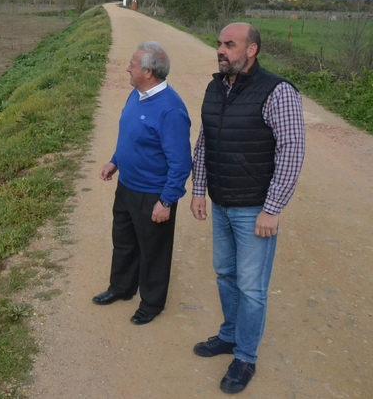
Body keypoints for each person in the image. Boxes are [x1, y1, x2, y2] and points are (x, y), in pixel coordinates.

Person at [190, 22, 305, 394]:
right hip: (222, 202)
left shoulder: (277, 90)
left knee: (252, 287)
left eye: (229, 44)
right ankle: (228, 334)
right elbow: (205, 141)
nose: (220, 50)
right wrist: (199, 189)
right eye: (219, 43)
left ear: (251, 49)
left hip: (254, 208)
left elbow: (292, 150)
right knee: (225, 273)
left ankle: (245, 357)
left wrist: (272, 209)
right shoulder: (216, 86)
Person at [93, 41, 192, 325]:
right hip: (127, 186)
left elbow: (181, 162)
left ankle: (151, 303)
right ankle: (121, 288)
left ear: (148, 72)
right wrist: (115, 161)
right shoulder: (136, 95)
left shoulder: (171, 110)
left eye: (133, 65)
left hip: (153, 194)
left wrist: (167, 201)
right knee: (123, 242)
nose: (127, 68)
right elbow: (129, 136)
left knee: (154, 252)